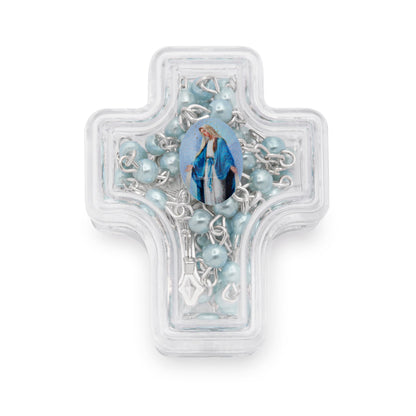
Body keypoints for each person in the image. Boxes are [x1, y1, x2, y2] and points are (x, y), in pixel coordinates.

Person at [186, 124, 237, 204]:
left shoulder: (220, 141)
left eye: (205, 131)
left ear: (209, 130)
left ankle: (220, 203)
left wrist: (230, 165)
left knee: (218, 188)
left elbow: (225, 155)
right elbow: (200, 157)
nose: (204, 133)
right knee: (207, 188)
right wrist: (193, 165)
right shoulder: (207, 143)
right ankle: (209, 202)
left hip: (217, 168)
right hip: (207, 168)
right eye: (202, 132)